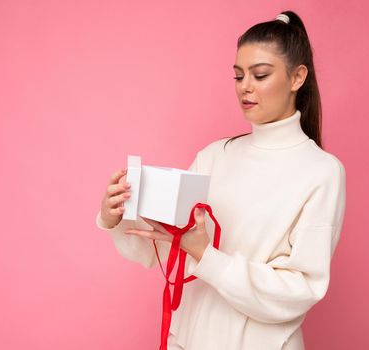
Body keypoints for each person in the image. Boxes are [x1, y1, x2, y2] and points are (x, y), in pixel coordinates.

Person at [96, 10, 346, 350]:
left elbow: (299, 290)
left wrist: (207, 256)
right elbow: (168, 250)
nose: (245, 87)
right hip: (189, 339)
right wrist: (117, 218)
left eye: (260, 75)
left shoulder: (321, 171)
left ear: (297, 77)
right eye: (238, 75)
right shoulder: (215, 155)